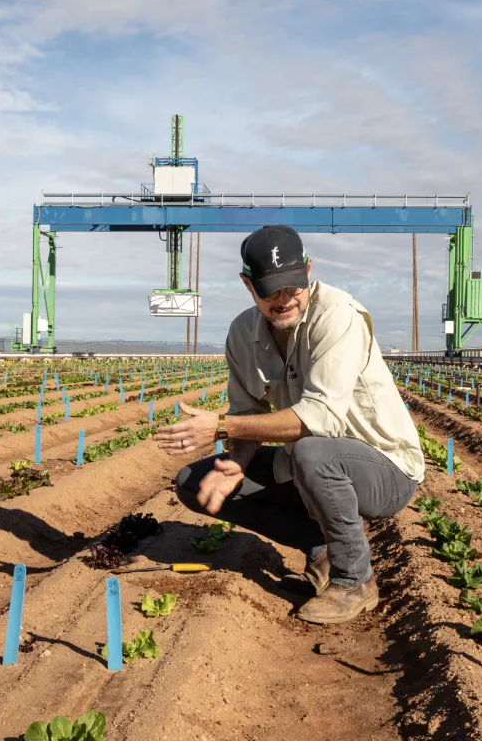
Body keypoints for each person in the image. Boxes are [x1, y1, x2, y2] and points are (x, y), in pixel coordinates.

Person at [153, 225, 424, 625]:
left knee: (315, 451)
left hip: (385, 470)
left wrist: (222, 428)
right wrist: (236, 465)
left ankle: (355, 580)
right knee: (194, 481)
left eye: (293, 287)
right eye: (271, 291)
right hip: (308, 467)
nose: (284, 300)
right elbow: (247, 414)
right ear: (248, 284)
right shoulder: (242, 333)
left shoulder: (338, 316)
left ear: (308, 271)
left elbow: (321, 419)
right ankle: (321, 547)